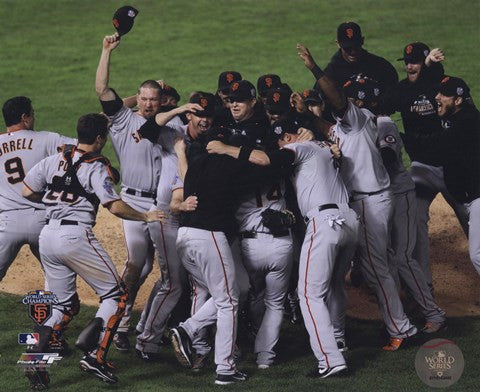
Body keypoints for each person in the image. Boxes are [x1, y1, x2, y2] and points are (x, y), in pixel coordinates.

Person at [207, 115, 359, 377]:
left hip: (325, 222)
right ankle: (338, 337)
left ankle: (330, 361)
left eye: (279, 142)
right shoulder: (324, 146)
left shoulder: (297, 147)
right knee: (334, 284)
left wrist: (225, 149)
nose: (278, 147)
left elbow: (265, 160)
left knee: (309, 296)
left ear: (288, 138)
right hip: (350, 221)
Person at [21, 113, 166, 388]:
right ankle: (95, 355)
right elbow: (114, 205)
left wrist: (54, 202)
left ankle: (33, 358)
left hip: (48, 236)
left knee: (62, 305)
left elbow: (28, 190)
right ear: (99, 139)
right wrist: (146, 217)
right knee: (117, 295)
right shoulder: (96, 167)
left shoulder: (54, 159)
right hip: (75, 236)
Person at [297, 43, 418, 351]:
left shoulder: (357, 116)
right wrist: (303, 115)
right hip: (374, 198)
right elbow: (328, 126)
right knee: (383, 265)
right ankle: (401, 322)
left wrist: (314, 68)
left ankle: (400, 329)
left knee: (377, 270)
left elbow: (336, 103)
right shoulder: (348, 125)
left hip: (369, 201)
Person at [169, 128, 278, 385]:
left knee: (228, 293)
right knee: (229, 301)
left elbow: (186, 183)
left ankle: (187, 329)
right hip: (209, 236)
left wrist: (181, 156)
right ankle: (225, 368)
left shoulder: (196, 165)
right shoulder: (232, 165)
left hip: (184, 238)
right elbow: (265, 164)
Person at [344, 76, 446, 333]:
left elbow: (389, 157)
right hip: (384, 199)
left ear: (361, 100)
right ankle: (408, 303)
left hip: (401, 196)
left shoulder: (383, 123)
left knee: (402, 257)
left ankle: (433, 313)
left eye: (352, 98)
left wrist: (363, 152)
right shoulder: (359, 124)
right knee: (387, 257)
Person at [95, 32, 164, 350]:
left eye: (155, 99)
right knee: (137, 264)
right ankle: (116, 323)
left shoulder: (166, 124)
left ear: (161, 101)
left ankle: (148, 323)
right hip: (135, 202)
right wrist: (106, 51)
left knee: (155, 267)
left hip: (162, 205)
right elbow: (102, 90)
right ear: (138, 99)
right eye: (144, 98)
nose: (149, 104)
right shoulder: (122, 121)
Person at [391, 42, 469, 290]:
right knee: (414, 219)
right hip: (421, 167)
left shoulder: (441, 88)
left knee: (470, 217)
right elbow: (384, 104)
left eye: (415, 61)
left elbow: (433, 84)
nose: (409, 66)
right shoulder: (403, 90)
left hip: (451, 168)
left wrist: (430, 67)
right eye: (407, 61)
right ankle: (423, 285)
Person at [404, 76, 480, 275]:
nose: (437, 96)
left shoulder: (467, 122)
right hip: (470, 196)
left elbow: (434, 147)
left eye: (444, 94)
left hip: (477, 198)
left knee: (478, 254)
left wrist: (398, 136)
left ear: (458, 100)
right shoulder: (457, 116)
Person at [0, 96, 75, 281]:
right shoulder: (46, 139)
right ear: (25, 117)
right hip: (41, 221)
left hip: (7, 222)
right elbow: (84, 146)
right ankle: (61, 308)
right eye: (33, 115)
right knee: (58, 279)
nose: (34, 119)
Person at [323, 21, 398, 113]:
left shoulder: (381, 66)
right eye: (347, 48)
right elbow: (321, 102)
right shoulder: (331, 72)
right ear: (338, 44)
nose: (353, 52)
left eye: (356, 46)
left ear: (362, 41)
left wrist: (373, 105)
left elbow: (394, 97)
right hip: (345, 125)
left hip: (376, 121)